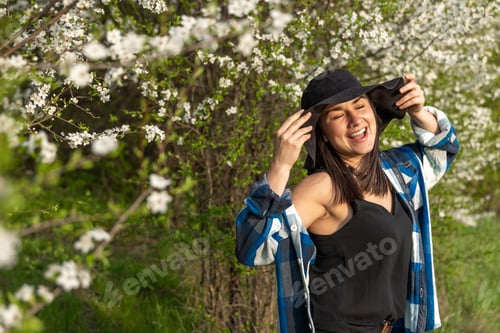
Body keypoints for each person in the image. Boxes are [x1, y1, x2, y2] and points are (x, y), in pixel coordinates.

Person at [235, 69, 459, 333]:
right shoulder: (321, 189)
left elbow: (441, 151)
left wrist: (419, 111)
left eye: (360, 106)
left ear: (374, 113)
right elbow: (253, 249)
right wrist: (280, 167)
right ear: (323, 134)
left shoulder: (396, 171)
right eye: (338, 115)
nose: (355, 120)